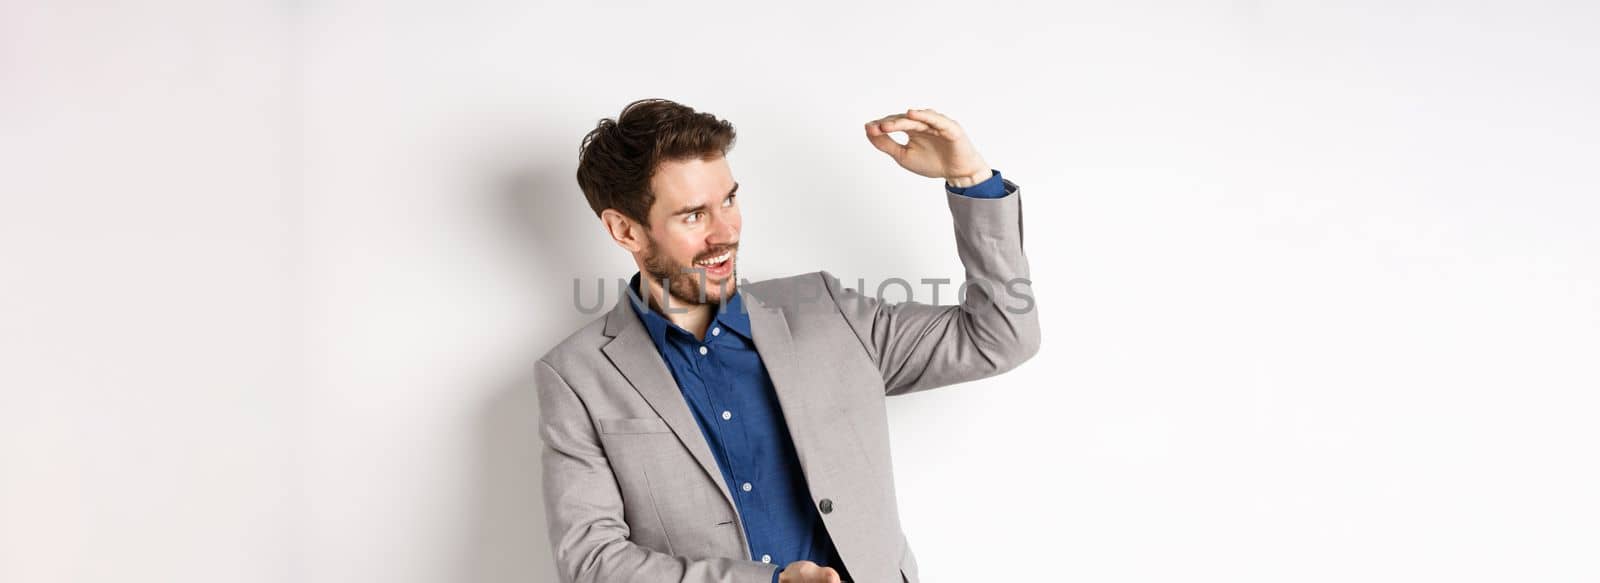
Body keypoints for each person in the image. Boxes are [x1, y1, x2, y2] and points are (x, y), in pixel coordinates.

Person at [536, 98, 1039, 583]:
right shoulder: (577, 375)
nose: (725, 233)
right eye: (693, 215)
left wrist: (970, 180)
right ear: (625, 230)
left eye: (729, 200)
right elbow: (591, 562)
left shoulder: (828, 310)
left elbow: (1000, 336)